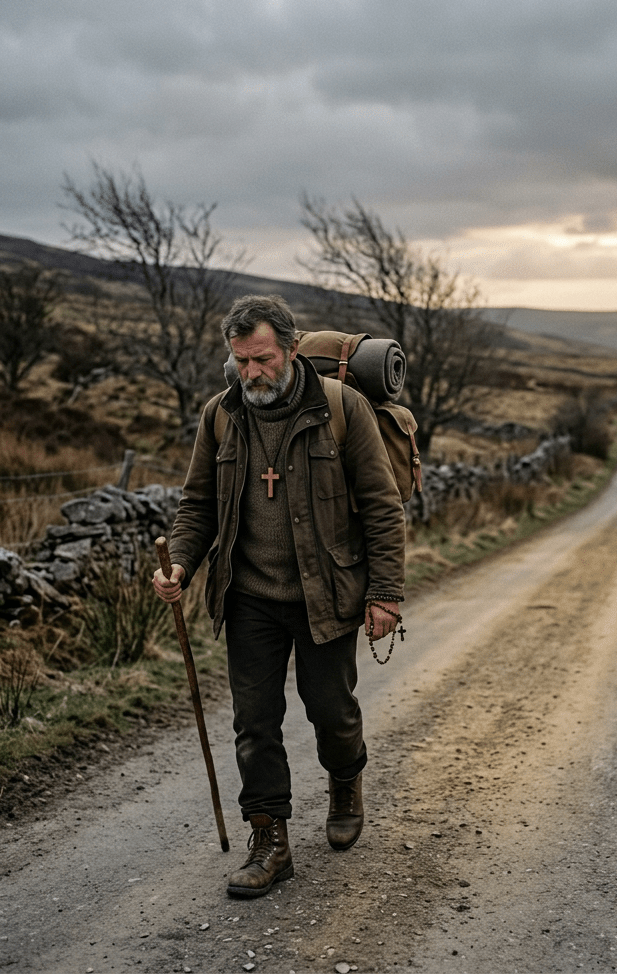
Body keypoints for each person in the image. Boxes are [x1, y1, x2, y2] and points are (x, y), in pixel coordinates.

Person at [152, 294, 405, 899]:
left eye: (262, 359)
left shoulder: (340, 410)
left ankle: (345, 780)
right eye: (240, 361)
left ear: (291, 350)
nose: (251, 373)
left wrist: (386, 594)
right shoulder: (221, 415)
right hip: (250, 597)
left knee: (330, 709)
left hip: (326, 593)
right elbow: (197, 505)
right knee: (254, 722)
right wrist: (182, 564)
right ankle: (269, 839)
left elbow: (381, 505)